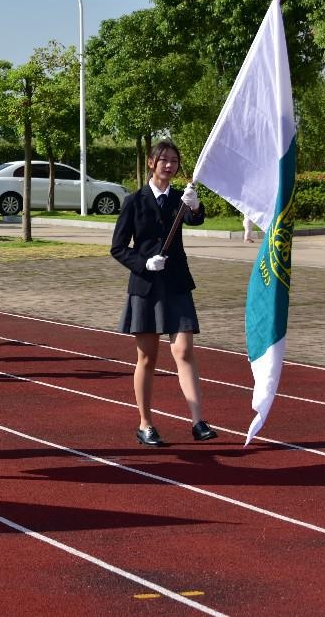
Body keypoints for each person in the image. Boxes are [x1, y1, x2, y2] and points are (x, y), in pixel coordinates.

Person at [109, 140, 217, 447]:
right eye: (164, 160)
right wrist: (143, 262)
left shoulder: (179, 200)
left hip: (176, 284)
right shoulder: (134, 200)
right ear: (151, 163)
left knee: (183, 350)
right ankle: (145, 424)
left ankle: (198, 421)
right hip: (145, 287)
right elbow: (117, 247)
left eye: (174, 161)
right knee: (147, 357)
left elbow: (195, 218)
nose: (169, 165)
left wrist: (195, 205)